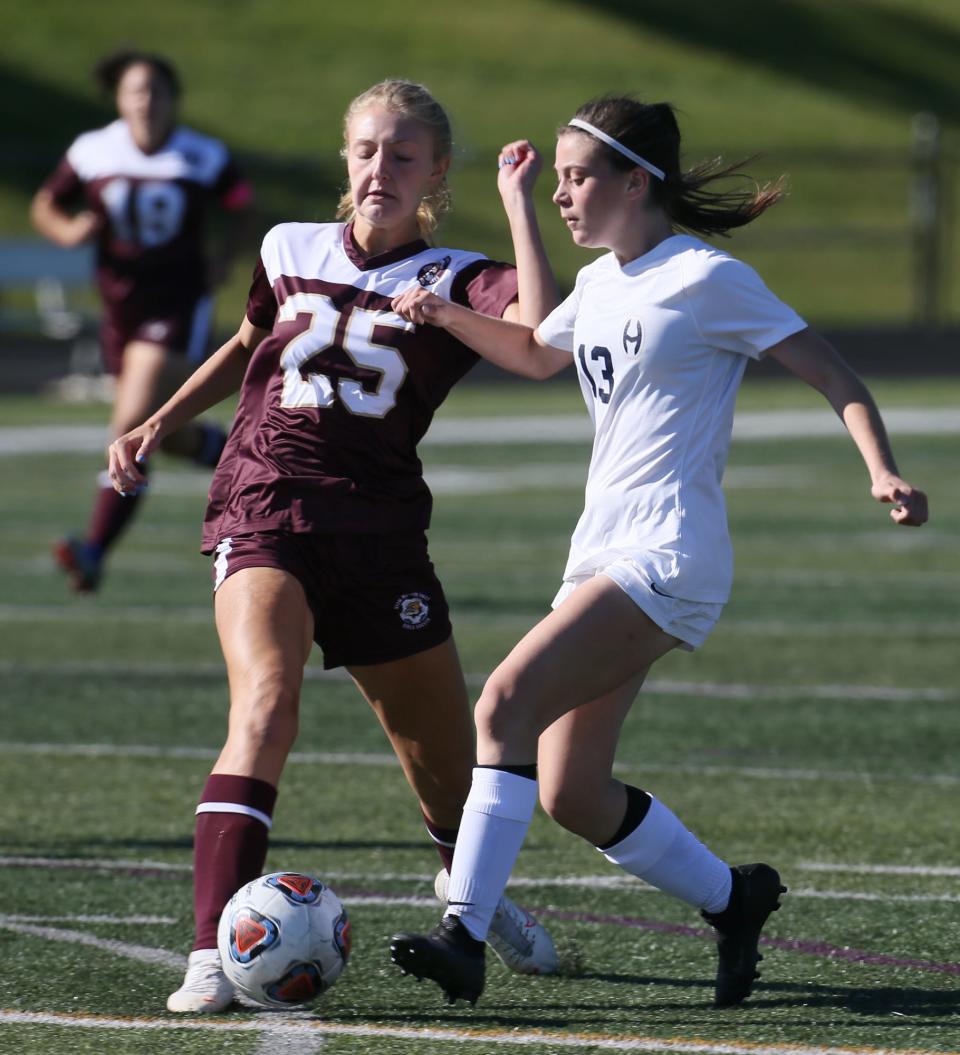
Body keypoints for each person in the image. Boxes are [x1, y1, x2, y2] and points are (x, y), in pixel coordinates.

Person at [388, 94, 930, 1009]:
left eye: (576, 177)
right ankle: (735, 897)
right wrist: (455, 298)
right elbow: (532, 350)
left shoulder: (704, 278)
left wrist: (882, 468)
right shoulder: (602, 281)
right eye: (556, 178)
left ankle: (465, 933)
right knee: (569, 790)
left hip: (668, 552)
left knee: (505, 700)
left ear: (635, 182)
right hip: (599, 552)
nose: (563, 193)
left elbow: (833, 372)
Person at [107, 79, 561, 1014]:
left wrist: (521, 207)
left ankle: (470, 899)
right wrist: (157, 421)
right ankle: (208, 951)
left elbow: (539, 333)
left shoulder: (458, 277)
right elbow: (246, 343)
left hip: (382, 531)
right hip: (265, 501)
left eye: (402, 155)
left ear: (436, 171)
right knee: (267, 704)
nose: (379, 170)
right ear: (345, 160)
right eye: (365, 151)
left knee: (443, 766)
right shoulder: (289, 247)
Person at [31, 49, 255, 593]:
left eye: (157, 91)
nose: (147, 101)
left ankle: (92, 550)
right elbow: (45, 203)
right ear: (119, 98)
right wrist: (67, 232)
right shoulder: (93, 150)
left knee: (129, 427)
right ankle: (252, 461)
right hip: (120, 310)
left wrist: (225, 257)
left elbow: (245, 205)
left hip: (176, 306)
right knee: (162, 434)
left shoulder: (201, 154)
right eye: (136, 90)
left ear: (174, 99)